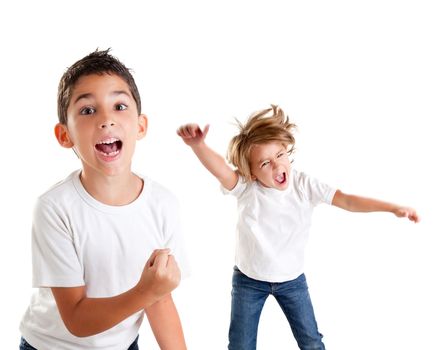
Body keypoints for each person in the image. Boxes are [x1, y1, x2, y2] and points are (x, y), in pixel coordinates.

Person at [177, 105, 419, 350]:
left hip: (292, 279)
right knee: (240, 344)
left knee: (311, 341)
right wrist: (198, 146)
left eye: (280, 155)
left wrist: (392, 208)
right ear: (250, 172)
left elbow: (346, 200)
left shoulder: (303, 185)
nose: (277, 165)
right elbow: (221, 171)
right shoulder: (246, 188)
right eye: (265, 163)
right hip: (249, 279)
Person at [19, 49, 189, 350]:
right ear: (64, 135)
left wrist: (151, 293)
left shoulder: (163, 205)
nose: (106, 119)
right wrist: (146, 292)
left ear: (140, 126)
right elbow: (76, 319)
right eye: (87, 110)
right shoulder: (55, 208)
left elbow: (159, 298)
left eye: (119, 106)